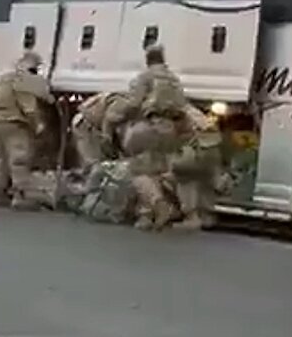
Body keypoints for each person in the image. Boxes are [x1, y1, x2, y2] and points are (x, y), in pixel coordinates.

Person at [124, 44, 190, 231]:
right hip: (171, 129)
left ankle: (160, 205)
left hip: (151, 126)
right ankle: (146, 216)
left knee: (138, 170)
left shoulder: (145, 77)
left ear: (148, 60)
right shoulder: (174, 80)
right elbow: (182, 106)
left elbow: (133, 103)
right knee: (156, 171)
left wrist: (120, 117)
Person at [0, 51, 53, 210]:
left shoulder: (5, 79)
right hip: (14, 124)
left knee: (2, 162)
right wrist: (38, 124)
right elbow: (29, 108)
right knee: (19, 161)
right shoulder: (25, 82)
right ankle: (19, 196)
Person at [169, 105, 222, 231]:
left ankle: (192, 217)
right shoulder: (193, 111)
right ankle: (207, 217)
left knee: (184, 179)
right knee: (204, 184)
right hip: (212, 150)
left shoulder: (174, 112)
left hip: (194, 151)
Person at [72, 91, 135, 171]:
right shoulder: (125, 105)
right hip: (86, 125)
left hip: (98, 125)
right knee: (97, 166)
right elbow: (107, 125)